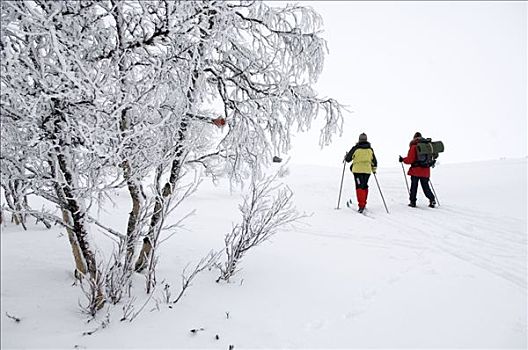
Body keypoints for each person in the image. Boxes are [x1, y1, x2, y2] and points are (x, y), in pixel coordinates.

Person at [399, 132, 436, 208]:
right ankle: (432, 200)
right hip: (426, 170)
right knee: (426, 187)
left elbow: (410, 159)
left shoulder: (414, 146)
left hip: (416, 171)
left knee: (414, 187)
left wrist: (403, 159)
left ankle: (413, 202)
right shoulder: (427, 146)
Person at [344, 133, 377, 213]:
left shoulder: (355, 148)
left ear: (359, 140)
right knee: (364, 186)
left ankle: (361, 205)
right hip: (367, 171)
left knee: (359, 187)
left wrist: (346, 156)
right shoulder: (370, 149)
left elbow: (348, 159)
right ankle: (364, 203)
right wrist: (374, 170)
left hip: (358, 171)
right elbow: (374, 162)